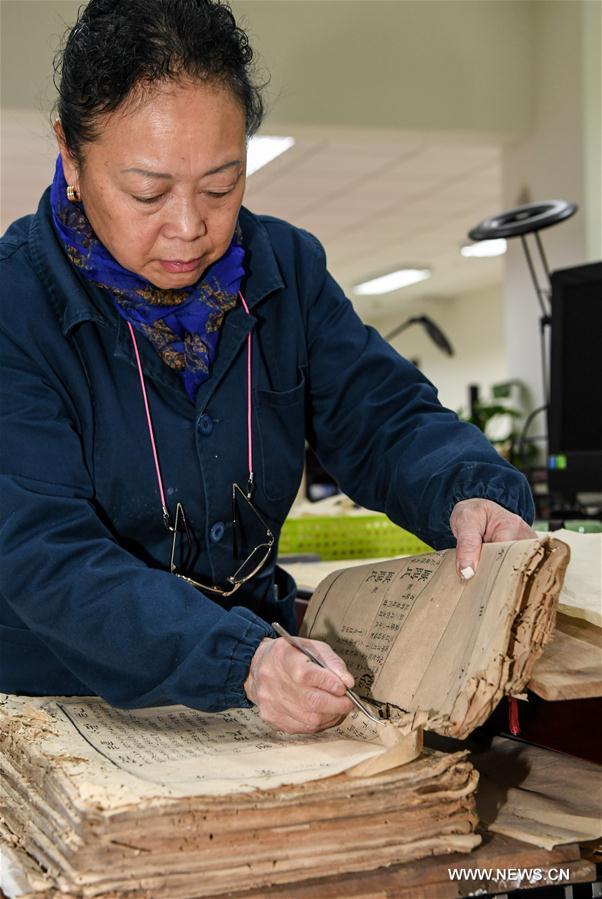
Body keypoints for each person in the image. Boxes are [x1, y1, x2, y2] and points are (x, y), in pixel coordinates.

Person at [0, 0, 535, 736]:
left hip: (265, 685)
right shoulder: (15, 303)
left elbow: (384, 417)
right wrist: (237, 660)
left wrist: (470, 493)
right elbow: (44, 552)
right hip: (61, 701)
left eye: (221, 186)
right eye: (147, 192)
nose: (190, 227)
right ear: (70, 154)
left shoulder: (286, 270)